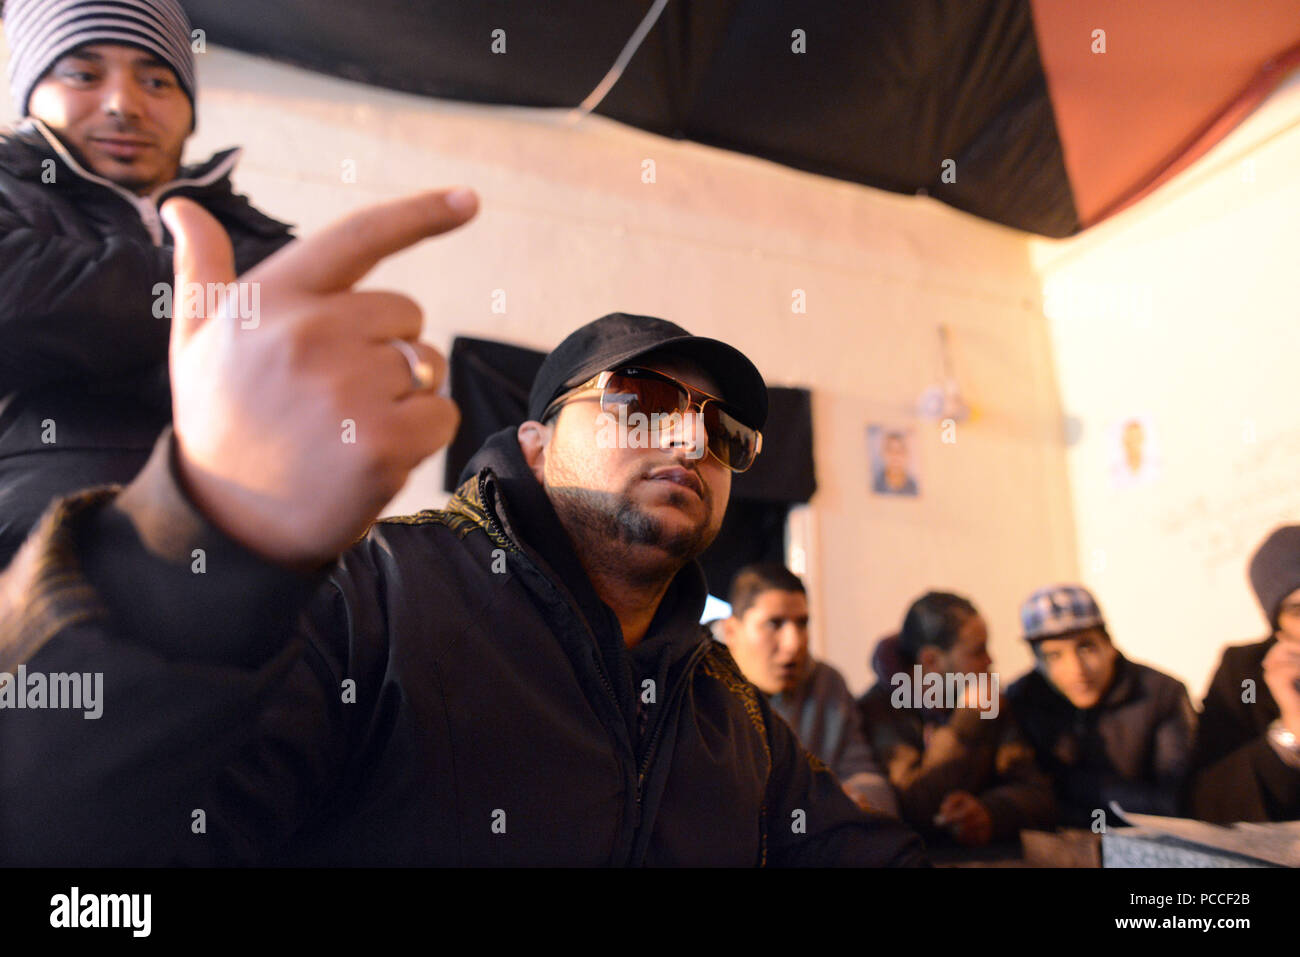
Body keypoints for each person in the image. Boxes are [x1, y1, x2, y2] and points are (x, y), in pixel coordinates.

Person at [0, 186, 927, 867]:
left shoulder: (726, 707)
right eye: (642, 399)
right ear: (533, 439)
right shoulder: (377, 596)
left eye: (724, 430)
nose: (690, 436)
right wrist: (198, 534)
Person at [0, 0, 294, 566]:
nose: (124, 104)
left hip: (248, 576)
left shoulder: (252, 228)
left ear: (189, 108)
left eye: (157, 80)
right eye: (83, 74)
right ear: (31, 91)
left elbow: (309, 363)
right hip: (31, 566)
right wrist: (229, 300)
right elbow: (14, 301)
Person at [858, 591, 1055, 847]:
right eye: (977, 651)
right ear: (931, 661)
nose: (990, 660)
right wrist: (965, 723)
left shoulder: (987, 700)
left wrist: (990, 812)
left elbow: (1039, 793)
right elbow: (916, 807)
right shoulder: (879, 710)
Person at [1006, 584, 1196, 827]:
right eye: (1054, 656)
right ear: (1037, 662)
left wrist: (1070, 785)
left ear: (1109, 645)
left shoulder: (1161, 692)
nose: (1077, 670)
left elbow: (1176, 800)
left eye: (1086, 647)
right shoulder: (1022, 699)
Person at [720, 563, 899, 817]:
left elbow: (867, 776)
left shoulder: (828, 683)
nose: (794, 644)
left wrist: (858, 800)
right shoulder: (700, 688)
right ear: (731, 631)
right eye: (774, 624)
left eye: (802, 623)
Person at [1186, 525, 1300, 822]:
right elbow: (1205, 801)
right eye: (1299, 611)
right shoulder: (1244, 674)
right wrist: (1290, 735)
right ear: (1278, 628)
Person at [871, 430, 918, 496]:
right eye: (890, 450)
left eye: (900, 451)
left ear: (907, 454)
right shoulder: (874, 485)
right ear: (883, 454)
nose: (895, 456)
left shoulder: (914, 488)